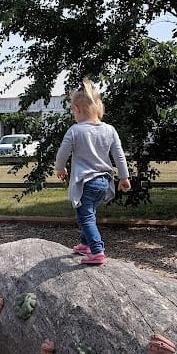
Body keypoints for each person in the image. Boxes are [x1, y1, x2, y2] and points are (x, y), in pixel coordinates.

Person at [54, 77, 131, 265]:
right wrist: (124, 177)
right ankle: (84, 243)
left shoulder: (75, 130)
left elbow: (63, 152)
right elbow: (119, 156)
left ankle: (97, 251)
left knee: (84, 216)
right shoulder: (110, 130)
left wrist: (60, 167)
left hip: (86, 182)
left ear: (77, 109)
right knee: (90, 213)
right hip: (104, 181)